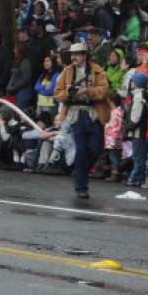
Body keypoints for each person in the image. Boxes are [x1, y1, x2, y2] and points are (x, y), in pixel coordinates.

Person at [54, 42, 110, 199]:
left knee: (97, 147)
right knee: (81, 150)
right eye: (72, 54)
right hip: (74, 114)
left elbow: (104, 91)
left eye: (77, 54)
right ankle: (81, 186)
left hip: (93, 112)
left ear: (85, 55)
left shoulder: (98, 71)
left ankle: (80, 171)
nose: (74, 57)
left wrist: (87, 91)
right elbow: (57, 94)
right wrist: (69, 93)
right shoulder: (66, 72)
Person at [125, 73, 148, 187]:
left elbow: (136, 116)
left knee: (138, 156)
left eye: (133, 81)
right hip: (141, 130)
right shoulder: (142, 94)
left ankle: (135, 178)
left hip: (139, 131)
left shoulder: (139, 96)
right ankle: (137, 177)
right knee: (139, 155)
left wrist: (127, 127)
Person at [102, 92, 125, 182]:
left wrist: (114, 139)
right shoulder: (117, 111)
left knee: (114, 157)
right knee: (115, 156)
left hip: (113, 139)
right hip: (113, 138)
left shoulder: (116, 112)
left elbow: (117, 126)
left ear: (111, 101)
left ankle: (115, 174)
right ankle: (115, 173)